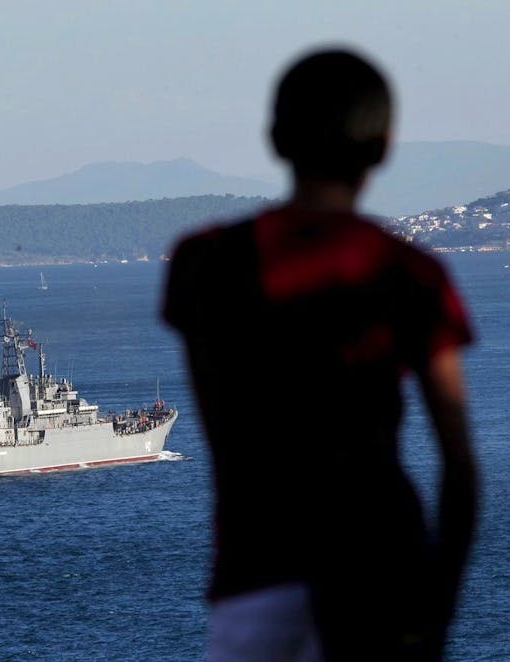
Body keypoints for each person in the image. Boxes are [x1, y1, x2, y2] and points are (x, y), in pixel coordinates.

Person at [162, 50, 478, 661]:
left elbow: (221, 418)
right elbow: (458, 465)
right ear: (384, 148)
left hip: (255, 572)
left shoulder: (203, 264)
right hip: (383, 568)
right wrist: (438, 611)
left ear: (276, 140)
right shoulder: (410, 274)